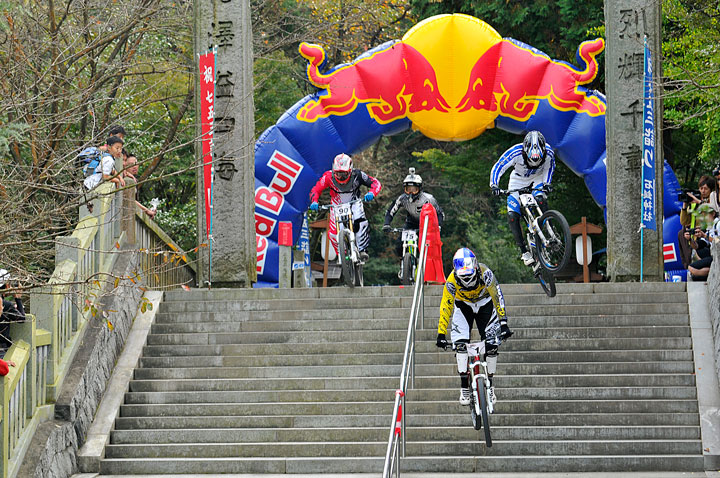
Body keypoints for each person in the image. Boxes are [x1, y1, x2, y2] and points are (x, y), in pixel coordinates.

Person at [436, 248, 513, 406]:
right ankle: (464, 387)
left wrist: (503, 322)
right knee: (460, 346)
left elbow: (497, 296)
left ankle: (490, 385)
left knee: (492, 346)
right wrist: (441, 333)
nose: (467, 281)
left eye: (469, 276)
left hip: (485, 304)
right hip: (463, 306)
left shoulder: (486, 273)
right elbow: (446, 306)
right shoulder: (451, 281)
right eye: (463, 277)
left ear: (476, 268)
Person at [490, 131, 555, 266]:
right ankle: (524, 251)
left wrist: (547, 183)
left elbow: (549, 168)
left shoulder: (549, 153)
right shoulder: (515, 152)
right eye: (531, 161)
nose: (534, 164)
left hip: (537, 178)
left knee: (541, 199)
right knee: (512, 215)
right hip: (517, 180)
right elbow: (499, 166)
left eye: (538, 161)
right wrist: (494, 185)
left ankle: (550, 230)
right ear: (525, 152)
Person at [309, 153, 381, 261]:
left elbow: (375, 183)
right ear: (333, 171)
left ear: (350, 170)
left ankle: (362, 250)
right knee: (333, 233)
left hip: (355, 203)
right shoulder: (328, 177)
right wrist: (314, 201)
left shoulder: (358, 175)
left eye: (344, 174)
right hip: (336, 205)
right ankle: (341, 254)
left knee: (361, 223)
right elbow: (315, 189)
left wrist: (372, 193)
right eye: (338, 174)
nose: (341, 177)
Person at [383, 167, 445, 234]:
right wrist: (387, 224)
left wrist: (438, 225)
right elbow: (391, 211)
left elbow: (440, 213)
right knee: (400, 241)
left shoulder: (428, 199)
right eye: (408, 189)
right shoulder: (402, 199)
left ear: (420, 189)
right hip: (411, 224)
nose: (411, 193)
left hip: (427, 225)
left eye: (414, 190)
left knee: (427, 243)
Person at [687, 204, 720, 281]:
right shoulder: (709, 227)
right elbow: (698, 246)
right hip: (712, 254)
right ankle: (708, 271)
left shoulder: (718, 224)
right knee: (695, 276)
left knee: (691, 268)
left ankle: (710, 271)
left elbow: (718, 242)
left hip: (717, 255)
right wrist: (689, 239)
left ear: (713, 213)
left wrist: (705, 236)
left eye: (705, 214)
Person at [0, 270, 25, 358]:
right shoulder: (6, 305)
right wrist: (18, 299)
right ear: (7, 286)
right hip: (2, 350)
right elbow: (21, 319)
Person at [122, 154, 156, 218]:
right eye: (131, 165)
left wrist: (147, 210)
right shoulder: (125, 180)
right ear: (124, 165)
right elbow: (129, 199)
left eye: (136, 164)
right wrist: (147, 210)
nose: (134, 167)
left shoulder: (133, 179)